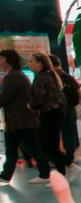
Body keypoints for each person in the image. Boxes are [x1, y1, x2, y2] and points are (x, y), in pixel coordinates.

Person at [0, 50, 50, 185]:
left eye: (1, 59)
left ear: (8, 60)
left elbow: (3, 98)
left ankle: (45, 174)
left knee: (34, 149)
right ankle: (5, 176)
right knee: (11, 151)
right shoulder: (12, 75)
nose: (0, 62)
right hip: (14, 122)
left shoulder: (15, 77)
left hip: (22, 121)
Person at [50, 54, 81, 179]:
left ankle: (66, 161)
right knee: (69, 134)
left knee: (57, 136)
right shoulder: (68, 76)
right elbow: (80, 93)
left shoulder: (53, 77)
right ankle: (68, 159)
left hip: (59, 110)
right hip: (70, 108)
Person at [27, 52, 67, 176]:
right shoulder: (50, 75)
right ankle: (64, 169)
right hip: (56, 113)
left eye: (32, 61)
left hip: (50, 114)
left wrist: (30, 104)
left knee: (51, 146)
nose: (29, 64)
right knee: (52, 145)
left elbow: (39, 98)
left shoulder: (42, 78)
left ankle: (63, 171)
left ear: (40, 64)